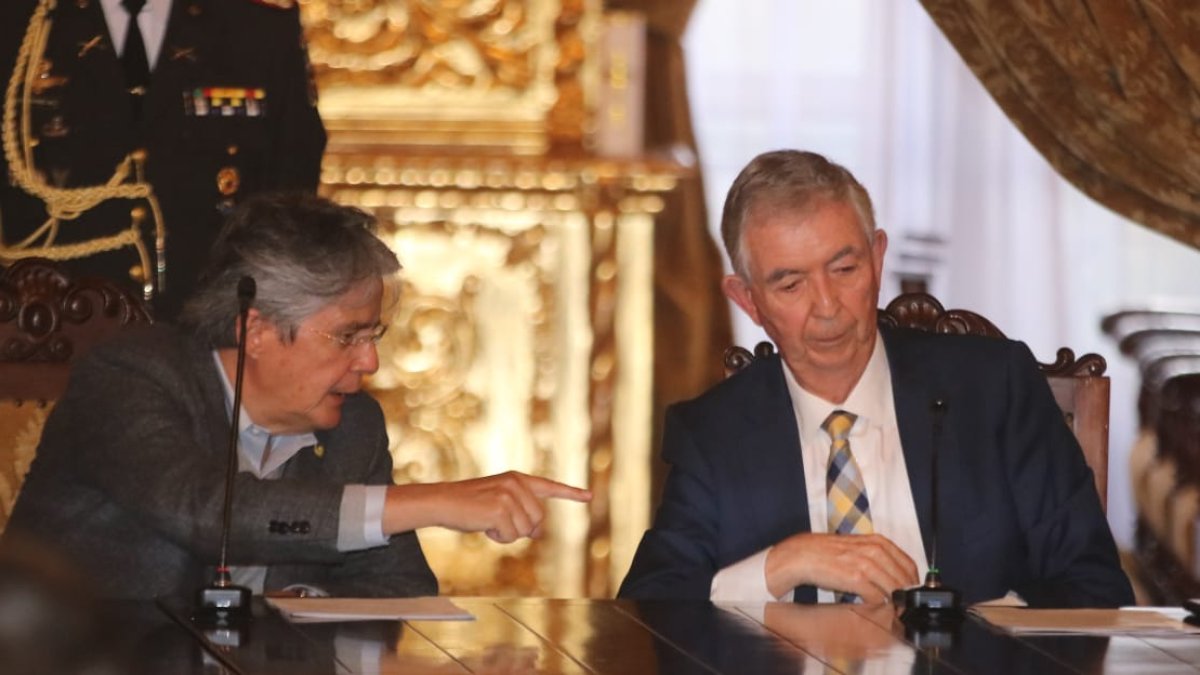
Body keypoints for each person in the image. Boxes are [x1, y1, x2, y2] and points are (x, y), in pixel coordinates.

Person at [5, 192, 591, 599]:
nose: (371, 362)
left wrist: (303, 600)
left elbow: (396, 589)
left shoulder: (353, 427)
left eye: (374, 335)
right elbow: (207, 513)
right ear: (255, 330)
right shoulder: (130, 377)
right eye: (348, 337)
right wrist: (434, 501)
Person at [618, 150, 1133, 607]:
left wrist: (959, 634)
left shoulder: (994, 389)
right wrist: (780, 566)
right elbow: (648, 610)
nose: (827, 308)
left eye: (845, 270)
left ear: (878, 257)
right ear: (747, 300)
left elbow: (1094, 587)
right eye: (791, 284)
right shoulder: (715, 433)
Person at [0, 0, 325, 317]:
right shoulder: (19, 24)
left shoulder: (257, 27)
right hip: (51, 327)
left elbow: (292, 189)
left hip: (206, 334)